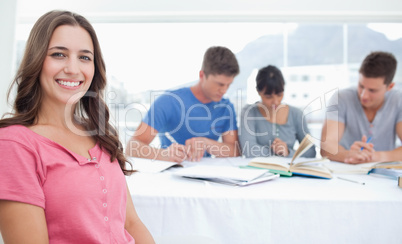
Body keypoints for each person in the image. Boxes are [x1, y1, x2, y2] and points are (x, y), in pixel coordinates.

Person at [0, 10, 154, 243]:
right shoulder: (14, 145)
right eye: (59, 54)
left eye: (84, 57)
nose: (73, 69)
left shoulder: (100, 136)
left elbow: (131, 222)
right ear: (37, 60)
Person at [126, 46, 240, 163]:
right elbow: (132, 147)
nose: (224, 90)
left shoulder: (226, 108)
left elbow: (234, 151)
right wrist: (163, 155)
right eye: (220, 84)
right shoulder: (169, 101)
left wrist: (206, 143)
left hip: (205, 174)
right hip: (170, 172)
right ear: (202, 75)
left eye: (228, 85)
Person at [321, 51, 402, 164]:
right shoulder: (341, 98)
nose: (364, 95)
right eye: (361, 86)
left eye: (372, 90)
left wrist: (372, 156)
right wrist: (348, 155)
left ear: (390, 86)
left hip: (385, 173)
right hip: (346, 171)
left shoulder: (398, 100)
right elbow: (327, 146)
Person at [239, 65, 316, 158]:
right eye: (268, 97)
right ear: (258, 92)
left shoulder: (296, 115)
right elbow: (249, 151)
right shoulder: (249, 113)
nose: (275, 102)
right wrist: (277, 152)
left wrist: (287, 152)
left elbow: (311, 152)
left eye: (279, 95)